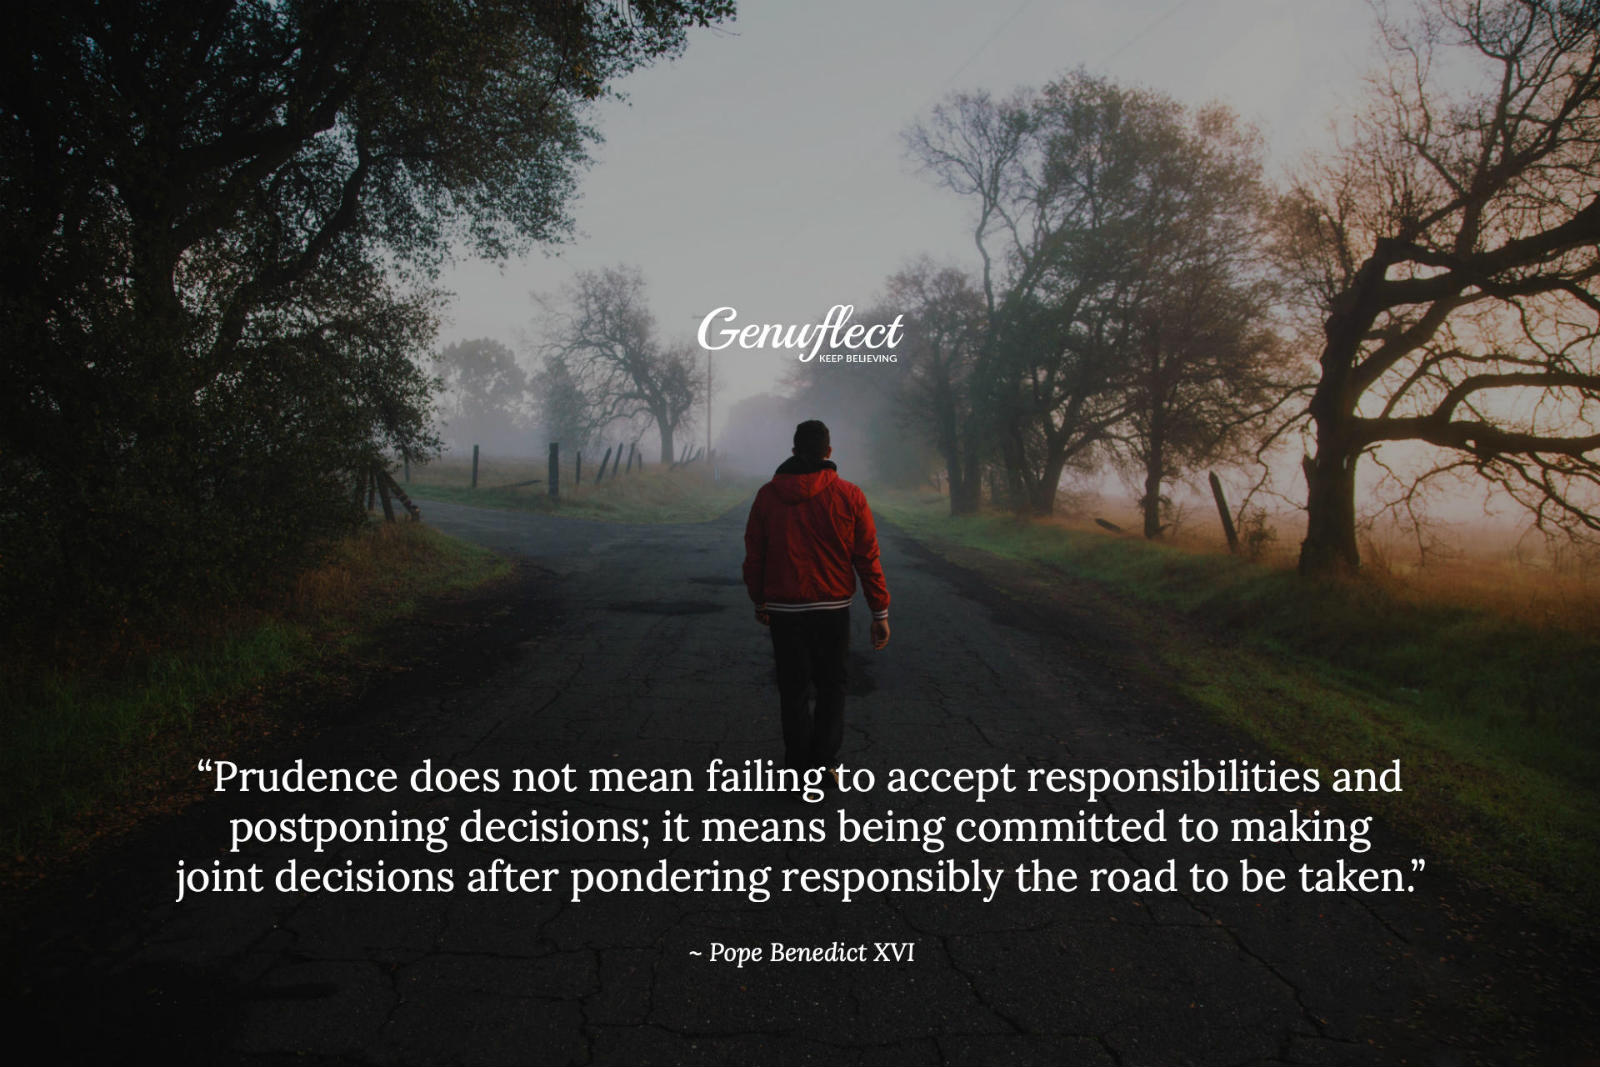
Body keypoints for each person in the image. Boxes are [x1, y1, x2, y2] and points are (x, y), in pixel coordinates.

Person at [742, 420, 890, 777]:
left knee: (793, 689)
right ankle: (823, 764)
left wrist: (760, 600)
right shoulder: (850, 495)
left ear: (793, 452)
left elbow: (755, 554)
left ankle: (795, 769)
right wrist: (879, 611)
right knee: (831, 685)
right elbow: (866, 556)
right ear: (829, 452)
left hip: (785, 609)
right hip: (832, 608)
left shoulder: (767, 495)